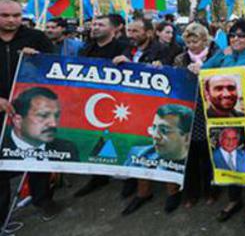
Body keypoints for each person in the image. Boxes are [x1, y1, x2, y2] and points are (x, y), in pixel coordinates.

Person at [0, 0, 60, 225]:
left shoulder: (36, 37)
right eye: (5, 15)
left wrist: (38, 59)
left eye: (16, 15)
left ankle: (42, 199)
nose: (11, 20)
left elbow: (55, 69)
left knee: (36, 155)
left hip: (30, 110)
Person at [201, 18, 245, 228]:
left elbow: (241, 79)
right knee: (226, 158)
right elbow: (205, 69)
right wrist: (222, 55)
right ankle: (233, 200)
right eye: (233, 35)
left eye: (241, 35)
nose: (236, 39)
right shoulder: (225, 52)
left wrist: (242, 65)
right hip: (222, 118)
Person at [112, 18, 180, 216]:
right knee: (139, 146)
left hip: (161, 109)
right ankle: (143, 192)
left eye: (135, 31)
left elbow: (175, 74)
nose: (130, 35)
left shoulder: (165, 50)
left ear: (149, 33)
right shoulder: (127, 50)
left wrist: (161, 67)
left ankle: (172, 191)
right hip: (134, 108)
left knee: (167, 147)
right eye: (129, 31)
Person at [73, 15, 128, 198]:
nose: (95, 27)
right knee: (94, 139)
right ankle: (98, 176)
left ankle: (130, 179)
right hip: (92, 102)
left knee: (119, 138)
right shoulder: (86, 49)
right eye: (94, 24)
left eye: (100, 25)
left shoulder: (123, 48)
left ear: (114, 30)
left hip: (119, 104)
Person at [173, 22, 220, 208]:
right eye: (189, 41)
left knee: (208, 153)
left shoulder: (215, 55)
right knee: (189, 154)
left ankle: (211, 190)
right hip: (188, 109)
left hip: (208, 110)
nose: (192, 45)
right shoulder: (180, 59)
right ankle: (191, 192)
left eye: (195, 41)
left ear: (204, 39)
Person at [2, 87, 79, 161]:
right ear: (17, 121)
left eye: (56, 116)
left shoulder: (66, 148)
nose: (53, 124)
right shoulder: (2, 144)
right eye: (43, 115)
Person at [124, 104, 193, 171]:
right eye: (154, 128)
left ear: (187, 138)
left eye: (164, 130)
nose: (155, 136)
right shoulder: (138, 154)